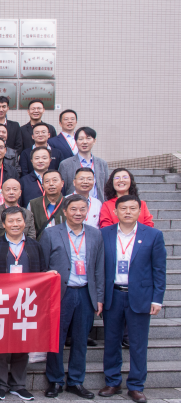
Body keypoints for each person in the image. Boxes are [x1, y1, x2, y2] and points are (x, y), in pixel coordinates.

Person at [99, 196, 166, 402]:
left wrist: (157, 299)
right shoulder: (104, 234)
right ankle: (112, 381)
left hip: (140, 296)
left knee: (138, 343)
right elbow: (98, 267)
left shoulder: (153, 235)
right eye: (123, 208)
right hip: (113, 295)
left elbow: (159, 270)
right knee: (111, 341)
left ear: (140, 211)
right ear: (115, 212)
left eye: (132, 208)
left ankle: (136, 385)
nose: (128, 212)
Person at [40, 195, 104, 399]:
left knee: (80, 339)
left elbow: (99, 268)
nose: (78, 213)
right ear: (65, 211)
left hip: (85, 292)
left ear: (87, 211)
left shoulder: (95, 234)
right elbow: (42, 266)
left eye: (82, 209)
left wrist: (99, 297)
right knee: (56, 339)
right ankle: (55, 380)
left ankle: (76, 381)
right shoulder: (50, 233)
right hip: (60, 293)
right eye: (74, 209)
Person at [0, 207, 45, 401]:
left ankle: (18, 385)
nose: (15, 224)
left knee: (22, 343)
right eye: (11, 221)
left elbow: (42, 272)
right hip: (1, 302)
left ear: (25, 222)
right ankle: (0, 385)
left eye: (18, 221)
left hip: (26, 302)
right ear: (3, 224)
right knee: (1, 344)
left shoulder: (35, 246)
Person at [59, 127, 109, 201]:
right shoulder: (65, 164)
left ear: (94, 141)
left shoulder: (102, 163)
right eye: (81, 139)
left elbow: (106, 188)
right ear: (76, 141)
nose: (84, 142)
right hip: (73, 204)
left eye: (88, 138)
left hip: (97, 204)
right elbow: (62, 189)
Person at [29, 170, 68, 238]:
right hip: (41, 243)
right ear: (43, 185)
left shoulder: (69, 203)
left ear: (62, 183)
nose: (51, 184)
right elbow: (30, 230)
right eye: (47, 181)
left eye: (55, 180)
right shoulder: (33, 204)